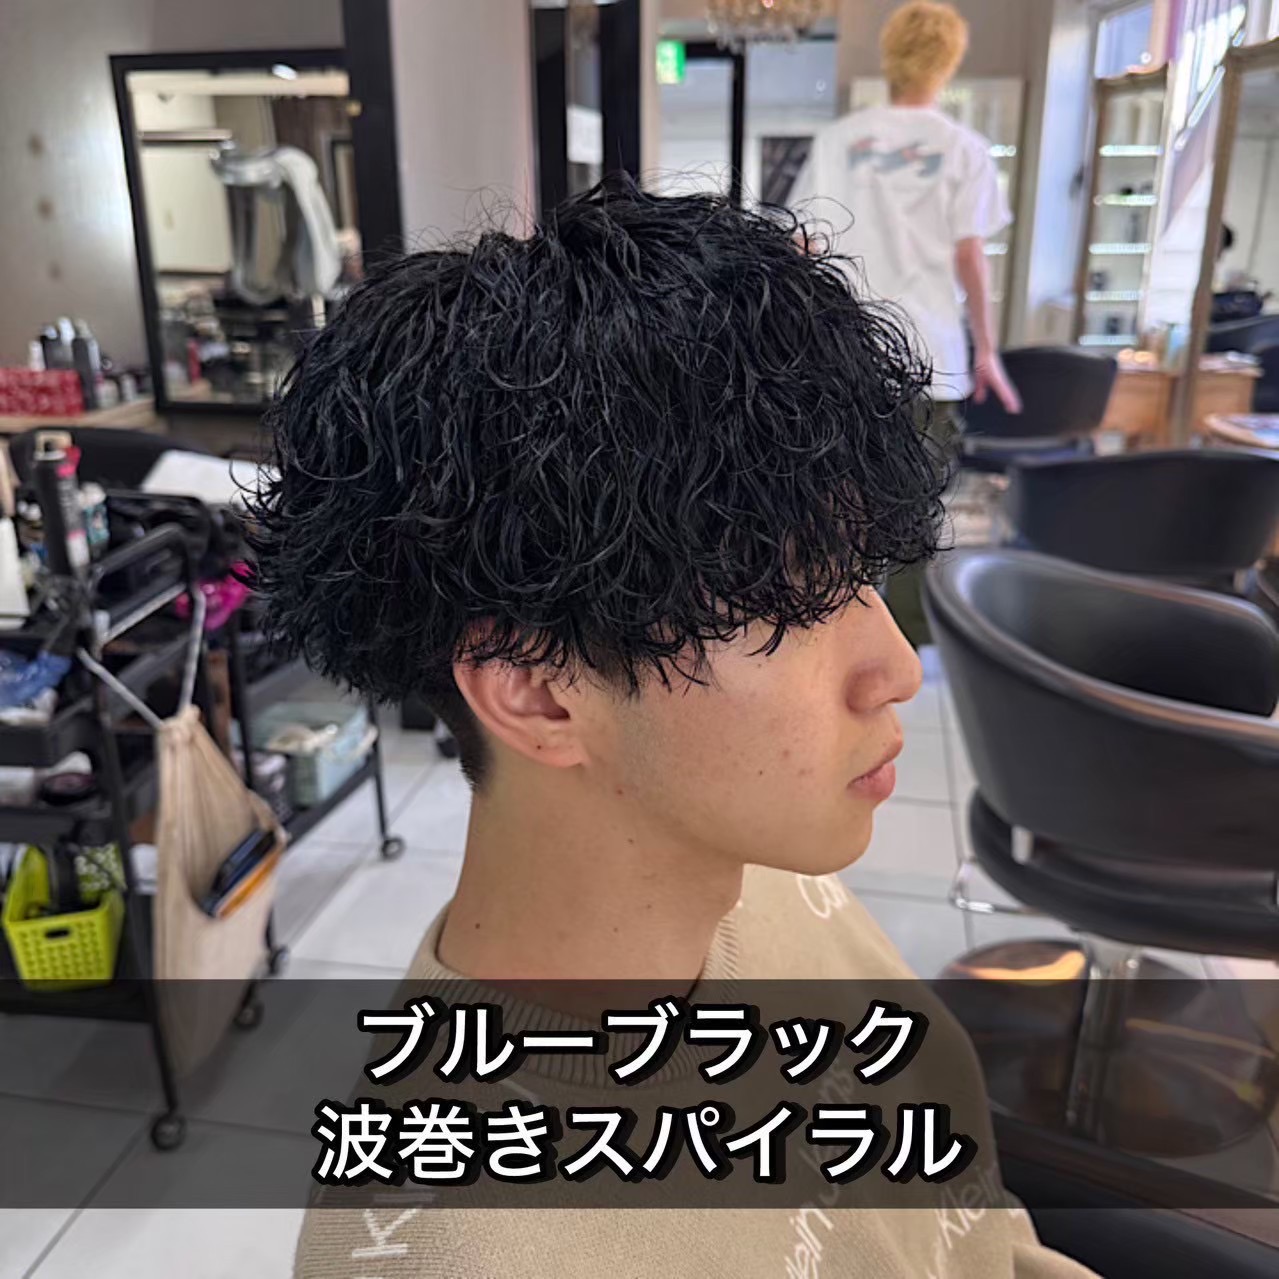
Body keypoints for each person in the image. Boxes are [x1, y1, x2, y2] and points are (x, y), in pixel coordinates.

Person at [251, 178, 1094, 1277]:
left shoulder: (772, 876)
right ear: (538, 690)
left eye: (862, 573)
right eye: (789, 605)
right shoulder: (455, 1249)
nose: (894, 669)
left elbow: (980, 1232)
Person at [789, 1, 1020, 644]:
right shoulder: (964, 149)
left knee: (838, 500)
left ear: (889, 55)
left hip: (845, 356)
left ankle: (839, 633)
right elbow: (970, 257)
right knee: (917, 504)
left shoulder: (840, 141)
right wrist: (987, 350)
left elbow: (802, 246)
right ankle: (906, 641)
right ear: (949, 61)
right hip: (931, 356)